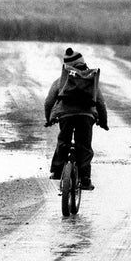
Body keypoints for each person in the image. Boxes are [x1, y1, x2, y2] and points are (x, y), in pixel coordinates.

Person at [44, 47, 109, 190]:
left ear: (67, 65)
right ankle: (85, 179)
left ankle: (57, 171)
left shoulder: (62, 80)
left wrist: (49, 118)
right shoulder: (90, 79)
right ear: (82, 61)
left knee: (63, 141)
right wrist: (103, 122)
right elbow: (100, 103)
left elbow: (49, 101)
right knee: (84, 146)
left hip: (65, 116)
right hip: (86, 117)